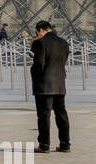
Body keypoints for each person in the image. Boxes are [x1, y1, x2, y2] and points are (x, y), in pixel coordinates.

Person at [30, 20, 70, 153]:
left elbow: (39, 65)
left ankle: (44, 145)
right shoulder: (63, 43)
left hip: (44, 85)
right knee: (61, 114)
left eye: (37, 32)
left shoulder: (41, 43)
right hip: (59, 84)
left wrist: (33, 72)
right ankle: (65, 144)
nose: (38, 35)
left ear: (41, 30)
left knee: (44, 116)